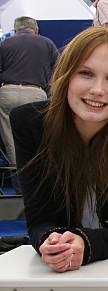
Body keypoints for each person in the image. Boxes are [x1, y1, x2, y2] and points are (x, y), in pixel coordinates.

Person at [12, 27, 108, 272]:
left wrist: (86, 244)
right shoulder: (31, 123)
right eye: (85, 73)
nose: (97, 89)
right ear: (66, 76)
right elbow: (40, 220)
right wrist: (51, 241)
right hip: (65, 275)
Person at [0, 16, 58, 192]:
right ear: (36, 29)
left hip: (6, 94)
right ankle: (38, 191)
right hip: (35, 95)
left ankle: (21, 193)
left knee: (12, 146)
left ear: (16, 30)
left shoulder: (5, 44)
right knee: (36, 144)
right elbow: (58, 73)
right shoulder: (47, 44)